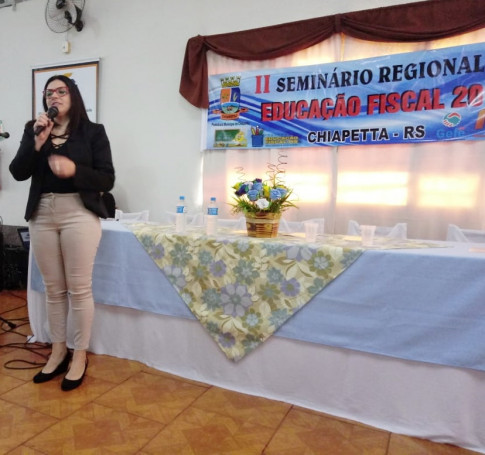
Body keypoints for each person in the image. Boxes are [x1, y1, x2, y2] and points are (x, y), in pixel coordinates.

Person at [9, 75, 115, 391]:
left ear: (73, 96)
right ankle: (57, 352)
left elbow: (107, 179)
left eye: (61, 91)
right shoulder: (35, 129)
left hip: (78, 213)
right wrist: (36, 142)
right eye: (49, 92)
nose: (54, 96)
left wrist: (75, 172)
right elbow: (17, 172)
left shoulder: (93, 132)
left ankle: (79, 355)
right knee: (53, 289)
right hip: (42, 213)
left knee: (78, 289)